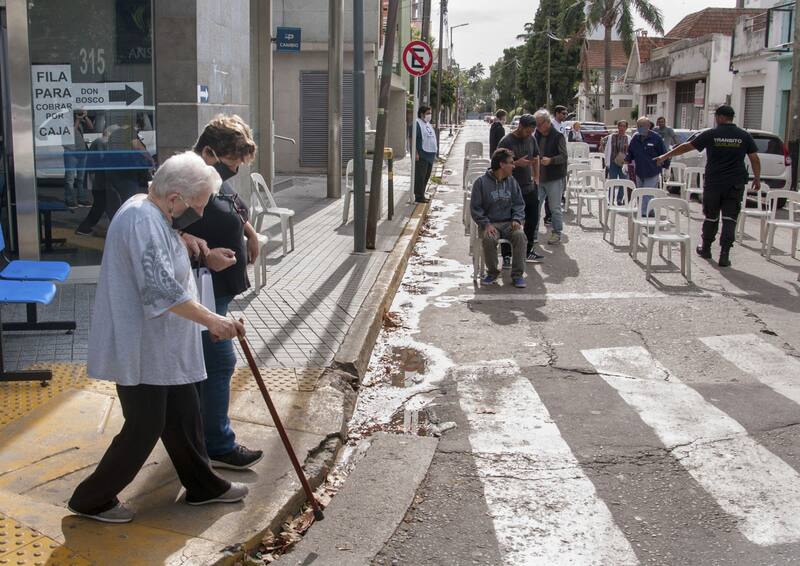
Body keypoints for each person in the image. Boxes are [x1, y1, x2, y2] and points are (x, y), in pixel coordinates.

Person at [67, 151, 248, 524]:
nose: (197, 212)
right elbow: (161, 290)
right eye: (195, 205)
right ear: (175, 197)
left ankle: (204, 486)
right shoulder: (140, 219)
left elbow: (163, 257)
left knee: (183, 414)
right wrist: (213, 320)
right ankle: (91, 499)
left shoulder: (152, 212)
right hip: (142, 346)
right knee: (145, 425)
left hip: (162, 345)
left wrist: (198, 251)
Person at [182, 114, 264, 470]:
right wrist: (204, 252)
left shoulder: (211, 176)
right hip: (202, 286)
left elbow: (227, 202)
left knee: (208, 365)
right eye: (232, 163)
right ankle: (217, 444)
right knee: (219, 363)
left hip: (218, 287)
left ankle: (199, 437)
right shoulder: (184, 178)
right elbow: (162, 227)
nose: (234, 171)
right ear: (210, 151)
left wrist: (249, 232)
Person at [656, 105, 760, 268]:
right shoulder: (743, 136)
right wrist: (758, 179)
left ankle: (706, 248)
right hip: (735, 183)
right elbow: (754, 158)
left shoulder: (712, 134)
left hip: (714, 182)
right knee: (730, 218)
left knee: (711, 216)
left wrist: (665, 156)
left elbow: (687, 146)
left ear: (719, 117)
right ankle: (724, 254)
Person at [471, 148, 527, 288]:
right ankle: (492, 272)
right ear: (502, 164)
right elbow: (475, 208)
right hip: (491, 224)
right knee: (489, 239)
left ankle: (517, 275)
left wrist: (516, 219)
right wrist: (485, 224)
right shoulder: (481, 183)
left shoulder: (512, 182)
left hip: (509, 223)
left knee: (520, 236)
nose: (513, 166)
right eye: (511, 163)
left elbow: (519, 203)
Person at [498, 114, 544, 264]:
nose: (529, 134)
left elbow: (536, 157)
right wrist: (517, 163)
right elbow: (498, 165)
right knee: (509, 221)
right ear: (520, 127)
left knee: (532, 219)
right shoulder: (506, 141)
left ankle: (527, 250)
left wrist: (536, 177)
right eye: (527, 131)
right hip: (510, 188)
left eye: (532, 131)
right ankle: (507, 255)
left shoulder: (532, 139)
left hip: (529, 187)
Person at [533, 109, 568, 245]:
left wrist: (551, 160)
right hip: (539, 177)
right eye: (536, 124)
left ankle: (556, 232)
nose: (538, 127)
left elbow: (564, 157)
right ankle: (533, 233)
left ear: (547, 122)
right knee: (535, 207)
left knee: (555, 208)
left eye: (540, 124)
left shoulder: (558, 136)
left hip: (554, 177)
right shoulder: (537, 135)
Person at [625, 116, 668, 188]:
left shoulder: (656, 138)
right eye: (638, 126)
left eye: (641, 126)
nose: (639, 128)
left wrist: (667, 167)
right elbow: (630, 152)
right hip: (639, 172)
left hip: (652, 172)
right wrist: (626, 162)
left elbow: (663, 153)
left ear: (648, 126)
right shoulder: (635, 138)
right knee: (640, 195)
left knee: (647, 196)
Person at [64, 110, 93, 208]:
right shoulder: (64, 122)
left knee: (81, 178)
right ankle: (70, 200)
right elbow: (70, 133)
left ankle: (81, 199)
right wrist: (77, 120)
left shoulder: (80, 122)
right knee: (70, 179)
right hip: (70, 152)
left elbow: (91, 127)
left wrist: (85, 117)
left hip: (82, 151)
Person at [414, 105, 437, 203]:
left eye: (430, 113)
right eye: (428, 113)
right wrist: (415, 153)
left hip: (430, 155)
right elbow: (412, 140)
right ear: (421, 114)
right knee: (420, 177)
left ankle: (422, 194)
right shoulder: (417, 124)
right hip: (422, 155)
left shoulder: (428, 124)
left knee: (426, 176)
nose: (430, 115)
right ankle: (419, 196)